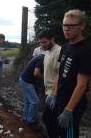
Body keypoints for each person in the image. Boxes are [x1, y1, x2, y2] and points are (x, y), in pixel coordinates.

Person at [47, 9, 91, 137]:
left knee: (69, 134)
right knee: (58, 130)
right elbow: (59, 73)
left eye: (71, 26)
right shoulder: (65, 47)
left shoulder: (86, 50)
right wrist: (54, 94)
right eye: (64, 25)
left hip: (73, 104)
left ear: (82, 26)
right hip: (61, 98)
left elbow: (82, 85)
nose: (66, 29)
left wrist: (69, 109)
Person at [38, 29, 61, 138]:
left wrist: (53, 94)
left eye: (45, 42)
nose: (42, 45)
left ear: (52, 39)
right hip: (48, 90)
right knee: (49, 119)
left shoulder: (58, 51)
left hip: (55, 92)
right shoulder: (47, 51)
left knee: (50, 119)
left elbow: (58, 74)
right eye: (41, 42)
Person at [19, 54, 44, 129]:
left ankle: (25, 118)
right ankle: (31, 121)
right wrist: (45, 78)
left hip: (23, 79)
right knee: (35, 102)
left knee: (28, 101)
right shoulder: (41, 59)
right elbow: (36, 73)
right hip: (27, 82)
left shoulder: (39, 57)